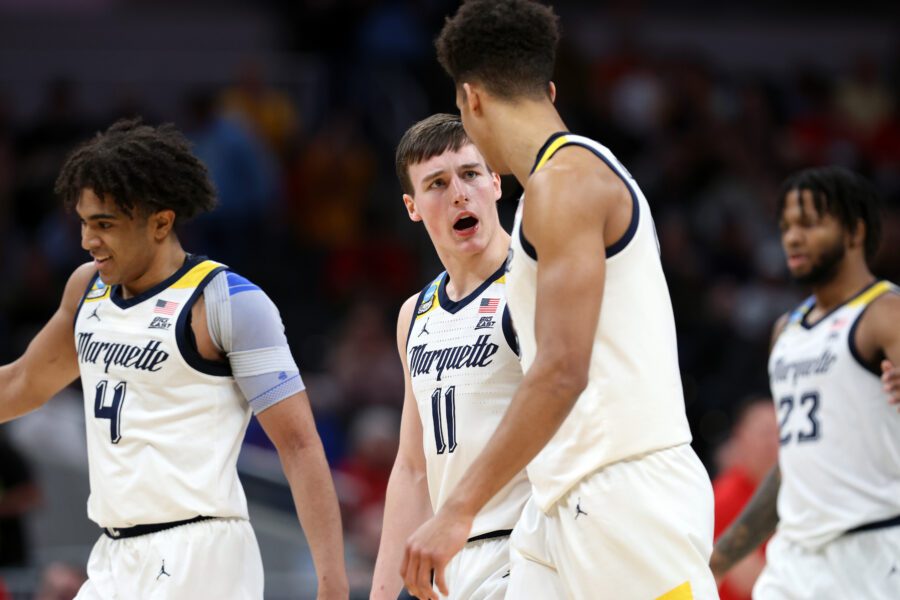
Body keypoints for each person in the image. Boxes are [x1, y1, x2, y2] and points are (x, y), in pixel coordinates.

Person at [402, 2, 717, 599]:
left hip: (624, 487)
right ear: (547, 89)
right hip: (559, 502)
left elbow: (561, 371)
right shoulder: (557, 187)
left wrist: (456, 508)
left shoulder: (563, 186)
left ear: (470, 101)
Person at [0, 119, 348, 599]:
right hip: (114, 553)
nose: (87, 240)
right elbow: (21, 383)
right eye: (83, 222)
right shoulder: (85, 289)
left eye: (104, 224)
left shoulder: (226, 302)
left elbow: (301, 447)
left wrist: (332, 582)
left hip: (200, 553)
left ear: (161, 222)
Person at [710, 166, 900, 599]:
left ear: (855, 231)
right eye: (786, 227)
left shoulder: (885, 313)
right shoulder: (786, 331)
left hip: (871, 550)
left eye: (810, 224)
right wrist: (721, 557)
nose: (792, 238)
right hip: (794, 558)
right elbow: (792, 466)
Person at [371, 114, 529, 599]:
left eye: (470, 174)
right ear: (412, 207)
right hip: (449, 565)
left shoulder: (533, 284)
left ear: (496, 182)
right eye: (437, 184)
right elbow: (413, 469)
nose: (459, 193)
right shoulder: (413, 314)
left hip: (529, 549)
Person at [712, 397, 779, 600]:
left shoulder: (799, 493)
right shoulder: (722, 498)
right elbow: (747, 581)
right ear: (741, 437)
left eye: (778, 432)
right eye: (764, 433)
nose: (771, 442)